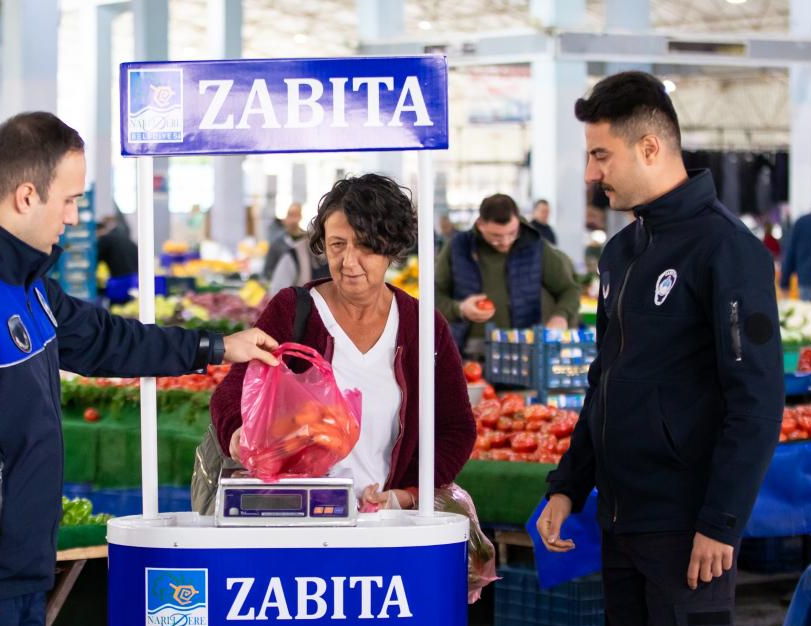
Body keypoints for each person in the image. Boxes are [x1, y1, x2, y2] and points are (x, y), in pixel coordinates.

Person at [0, 111, 276, 626]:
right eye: (69, 200)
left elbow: (100, 340)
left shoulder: (23, 282)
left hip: (15, 576)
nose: (73, 216)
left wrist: (213, 347)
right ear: (25, 196)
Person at [535, 71, 783, 626]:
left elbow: (756, 400)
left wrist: (720, 523)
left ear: (650, 148)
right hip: (622, 523)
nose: (592, 174)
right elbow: (603, 382)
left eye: (600, 155)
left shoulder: (729, 252)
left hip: (687, 532)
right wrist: (568, 483)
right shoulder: (620, 254)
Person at [212, 174, 477, 511]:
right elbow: (233, 392)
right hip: (297, 517)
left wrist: (409, 494)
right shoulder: (294, 311)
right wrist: (240, 433)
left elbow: (456, 427)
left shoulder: (422, 325)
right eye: (338, 244)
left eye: (365, 245)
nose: (349, 262)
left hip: (385, 526)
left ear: (391, 248)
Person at [435, 194, 581, 355]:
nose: (505, 241)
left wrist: (561, 316)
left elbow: (569, 290)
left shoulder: (535, 246)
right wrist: (460, 309)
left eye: (512, 233)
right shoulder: (458, 247)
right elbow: (433, 295)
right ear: (480, 224)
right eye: (496, 236)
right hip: (467, 351)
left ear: (518, 221)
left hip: (523, 351)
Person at [261, 202, 305, 279]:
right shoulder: (276, 244)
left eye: (297, 215)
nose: (294, 220)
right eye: (291, 215)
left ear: (301, 217)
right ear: (286, 217)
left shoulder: (308, 242)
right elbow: (267, 271)